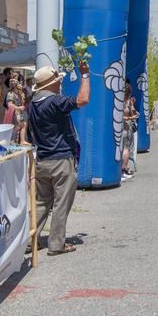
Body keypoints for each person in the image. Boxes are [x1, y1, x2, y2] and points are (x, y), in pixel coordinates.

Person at [27, 62, 90, 256]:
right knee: (61, 203)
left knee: (41, 202)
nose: (59, 84)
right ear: (51, 84)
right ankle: (56, 244)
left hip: (43, 159)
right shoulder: (54, 102)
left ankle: (30, 240)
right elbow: (82, 99)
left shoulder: (34, 104)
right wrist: (85, 75)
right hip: (60, 159)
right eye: (57, 81)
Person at [121, 81, 139, 180]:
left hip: (123, 128)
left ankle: (123, 169)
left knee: (123, 148)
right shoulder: (122, 103)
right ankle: (123, 169)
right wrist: (131, 117)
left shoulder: (121, 101)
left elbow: (132, 112)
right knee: (126, 149)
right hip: (125, 128)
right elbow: (124, 116)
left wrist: (132, 104)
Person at [5, 78, 30, 145]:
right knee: (16, 127)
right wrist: (19, 108)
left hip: (18, 113)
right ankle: (12, 141)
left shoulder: (18, 93)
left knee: (22, 125)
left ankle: (22, 140)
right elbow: (10, 105)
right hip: (14, 113)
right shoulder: (10, 94)